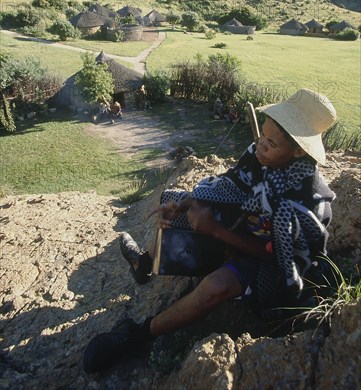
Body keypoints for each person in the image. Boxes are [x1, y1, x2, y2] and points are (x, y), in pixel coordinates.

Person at [83, 88, 337, 374]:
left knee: (215, 287)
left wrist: (216, 231)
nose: (260, 146)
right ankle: (142, 265)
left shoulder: (307, 205)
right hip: (238, 229)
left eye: (271, 143)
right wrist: (189, 203)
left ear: (299, 150)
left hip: (265, 261)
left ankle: (138, 335)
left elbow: (281, 258)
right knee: (174, 203)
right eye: (261, 137)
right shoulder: (260, 154)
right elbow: (233, 183)